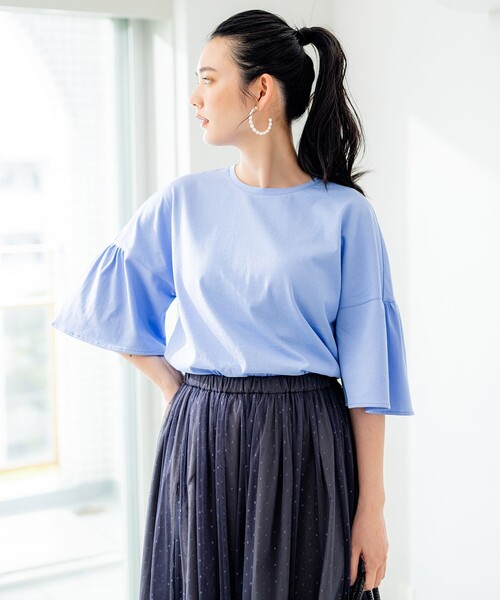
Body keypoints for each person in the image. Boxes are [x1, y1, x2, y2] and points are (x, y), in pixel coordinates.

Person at [51, 8, 414, 600]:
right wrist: (175, 388)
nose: (195, 97)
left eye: (208, 78)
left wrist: (371, 508)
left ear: (261, 90)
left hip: (306, 441)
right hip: (202, 436)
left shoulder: (346, 215)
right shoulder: (182, 203)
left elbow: (368, 374)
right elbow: (107, 301)